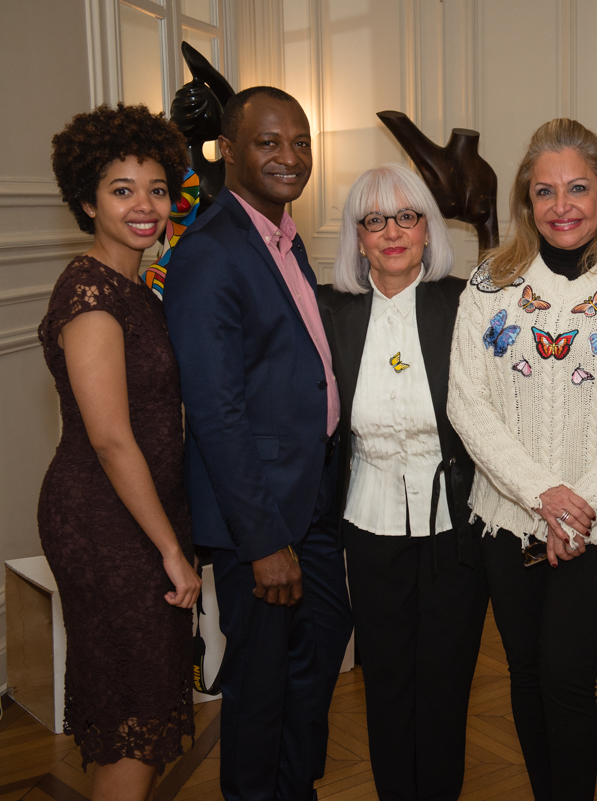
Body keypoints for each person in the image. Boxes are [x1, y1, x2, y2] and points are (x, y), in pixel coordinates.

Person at [446, 118, 597, 800]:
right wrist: (540, 495)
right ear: (527, 201)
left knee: (568, 676)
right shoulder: (492, 278)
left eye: (577, 187)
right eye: (544, 191)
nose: (562, 205)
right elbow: (466, 401)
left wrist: (580, 505)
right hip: (507, 514)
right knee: (524, 671)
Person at [163, 86, 354, 801]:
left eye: (300, 142)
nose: (289, 156)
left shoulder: (282, 236)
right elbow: (215, 411)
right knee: (262, 686)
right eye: (269, 142)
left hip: (308, 504)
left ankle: (291, 787)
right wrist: (262, 540)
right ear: (229, 151)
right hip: (262, 521)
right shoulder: (211, 251)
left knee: (319, 650)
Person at [40, 103, 199, 800]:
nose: (144, 205)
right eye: (122, 188)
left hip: (137, 513)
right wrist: (169, 547)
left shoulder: (137, 285)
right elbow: (109, 437)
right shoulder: (90, 289)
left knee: (146, 707)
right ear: (86, 199)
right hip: (107, 523)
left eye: (157, 188)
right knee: (134, 716)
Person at [316, 163, 487, 800]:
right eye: (374, 220)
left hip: (457, 524)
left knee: (446, 684)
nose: (392, 232)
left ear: (427, 229)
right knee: (385, 683)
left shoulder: (467, 301)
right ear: (357, 238)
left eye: (407, 216)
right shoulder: (329, 311)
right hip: (368, 519)